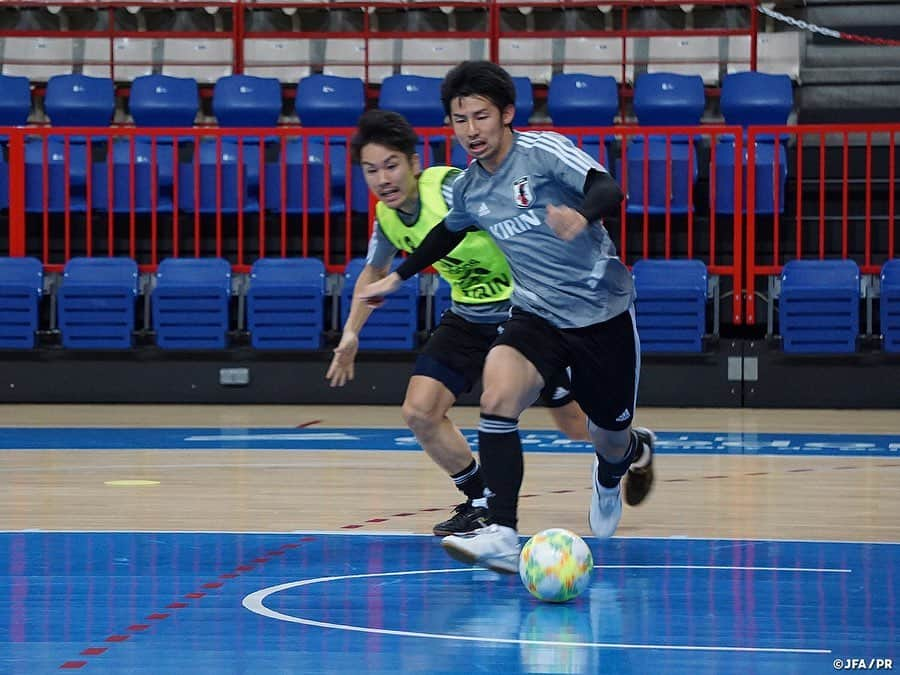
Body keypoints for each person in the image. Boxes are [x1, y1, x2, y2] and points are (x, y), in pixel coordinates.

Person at [358, 62, 656, 574]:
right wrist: (397, 277)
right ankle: (501, 529)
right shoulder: (470, 187)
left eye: (481, 116)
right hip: (535, 312)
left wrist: (581, 215)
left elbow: (609, 188)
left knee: (607, 436)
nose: (471, 130)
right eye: (459, 119)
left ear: (507, 114)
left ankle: (618, 465)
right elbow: (446, 233)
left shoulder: (542, 152)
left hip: (600, 312)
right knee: (497, 396)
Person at [326, 108, 591, 537]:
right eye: (371, 170)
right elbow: (374, 273)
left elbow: (515, 210)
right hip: (468, 315)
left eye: (391, 165)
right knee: (419, 412)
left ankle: (627, 448)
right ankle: (481, 499)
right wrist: (352, 331)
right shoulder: (386, 217)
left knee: (575, 424)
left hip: (523, 312)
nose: (383, 179)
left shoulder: (451, 188)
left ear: (413, 163)